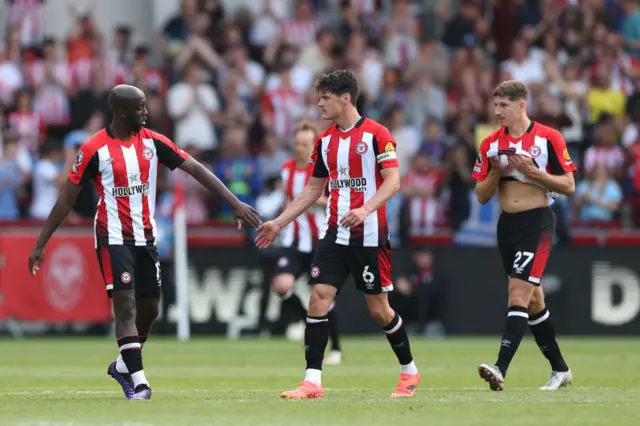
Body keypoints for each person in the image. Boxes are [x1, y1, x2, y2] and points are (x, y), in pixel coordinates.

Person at [27, 85, 261, 400]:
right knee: (125, 305)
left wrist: (235, 203)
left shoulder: (153, 142)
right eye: (140, 108)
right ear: (122, 112)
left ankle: (124, 366)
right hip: (112, 236)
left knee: (149, 309)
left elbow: (195, 168)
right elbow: (67, 197)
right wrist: (42, 242)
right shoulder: (94, 149)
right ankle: (139, 383)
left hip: (146, 238)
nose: (146, 112)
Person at [256, 70, 420, 399]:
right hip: (334, 235)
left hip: (370, 237)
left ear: (345, 98)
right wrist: (279, 222)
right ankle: (312, 382)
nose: (319, 103)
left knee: (379, 310)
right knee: (318, 299)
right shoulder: (325, 141)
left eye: (325, 97)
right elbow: (312, 190)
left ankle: (409, 372)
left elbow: (393, 181)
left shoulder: (377, 134)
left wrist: (366, 208)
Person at [473, 80, 576, 391]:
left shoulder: (548, 138)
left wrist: (534, 173)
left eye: (503, 106)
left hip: (537, 222)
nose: (497, 111)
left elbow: (569, 185)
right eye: (495, 106)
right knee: (533, 302)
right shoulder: (490, 144)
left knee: (518, 294)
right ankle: (560, 370)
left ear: (521, 105)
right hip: (508, 226)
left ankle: (500, 368)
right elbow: (481, 196)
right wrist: (495, 172)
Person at [272, 123, 343, 364]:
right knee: (282, 285)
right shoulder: (286, 170)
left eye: (305, 144)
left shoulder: (322, 169)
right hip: (294, 240)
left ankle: (336, 348)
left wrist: (316, 202)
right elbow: (288, 199)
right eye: (297, 144)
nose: (300, 149)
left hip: (319, 241)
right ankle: (306, 321)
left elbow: (334, 199)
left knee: (323, 296)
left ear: (314, 145)